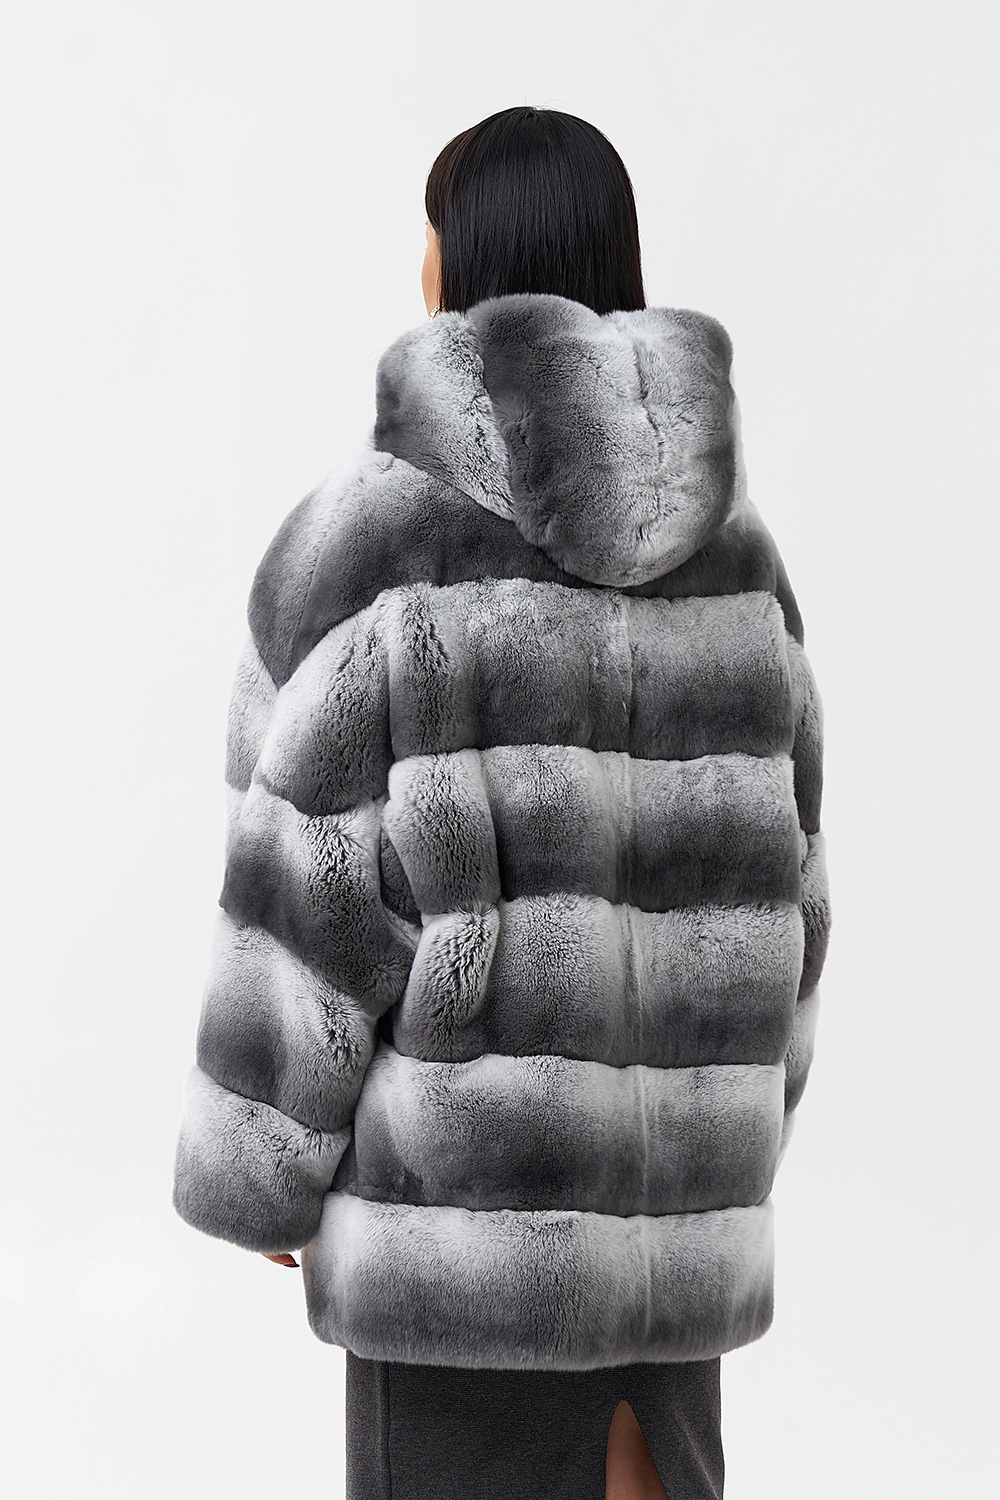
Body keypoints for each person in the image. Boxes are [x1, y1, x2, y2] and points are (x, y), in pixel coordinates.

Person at [172, 105, 830, 1500]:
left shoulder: (374, 540)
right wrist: (720, 1140)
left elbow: (310, 882)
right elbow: (793, 902)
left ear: (456, 255)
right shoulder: (741, 561)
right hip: (672, 1249)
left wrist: (265, 1161)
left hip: (459, 1247)